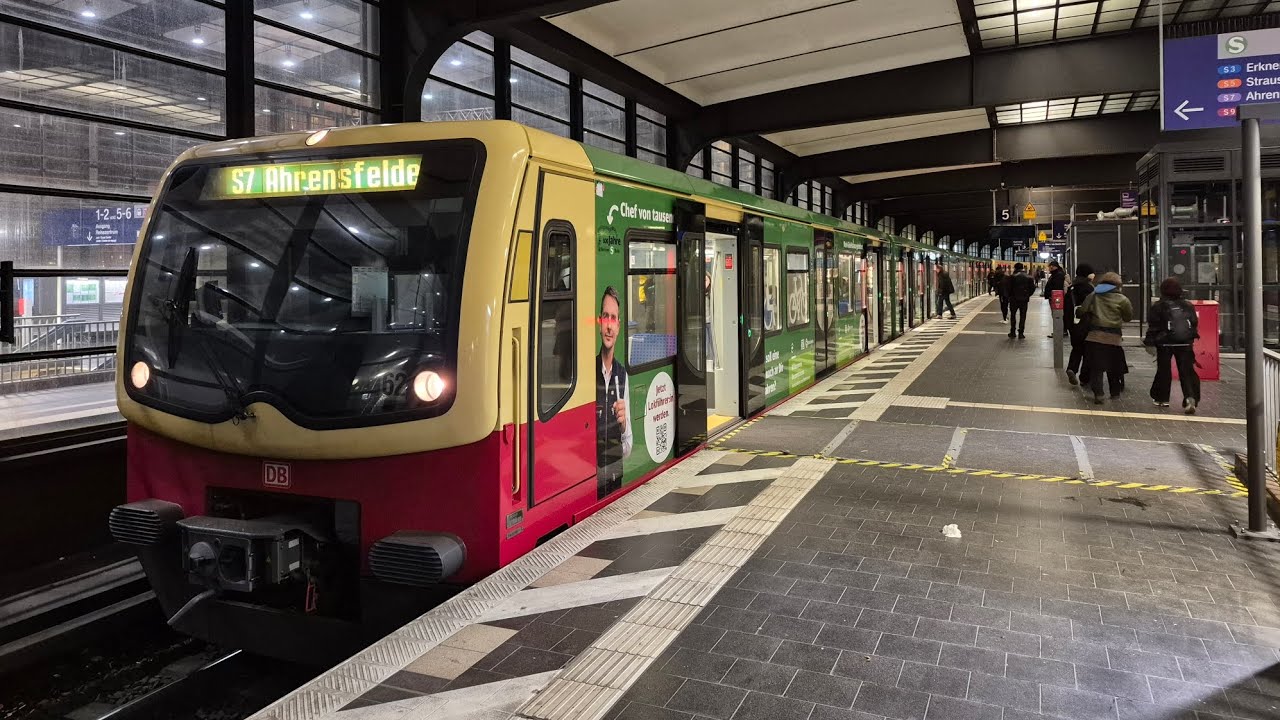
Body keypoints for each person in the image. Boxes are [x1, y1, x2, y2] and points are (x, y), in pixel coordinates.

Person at [1144, 278, 1201, 414]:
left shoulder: (1158, 306)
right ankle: (1190, 397)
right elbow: (1193, 322)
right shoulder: (1188, 305)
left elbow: (1153, 326)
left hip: (1164, 342)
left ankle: (1162, 398)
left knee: (1164, 369)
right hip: (1185, 342)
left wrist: (1149, 342)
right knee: (1186, 371)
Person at [596, 286, 632, 498]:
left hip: (615, 484)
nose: (609, 326)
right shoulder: (586, 375)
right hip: (593, 487)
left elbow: (627, 449)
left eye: (614, 319)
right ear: (600, 322)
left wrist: (624, 425)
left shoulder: (622, 375)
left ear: (618, 326)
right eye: (605, 317)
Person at [1078, 272, 1133, 404]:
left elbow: (1082, 311)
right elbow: (1128, 317)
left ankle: (1099, 394)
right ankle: (1114, 393)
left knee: (1096, 367)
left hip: (1094, 335)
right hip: (1113, 337)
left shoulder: (1093, 295)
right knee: (1114, 366)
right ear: (1118, 285)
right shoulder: (1122, 299)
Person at [1063, 264, 1094, 386]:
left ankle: (1072, 368)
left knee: (1076, 348)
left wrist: (1068, 326)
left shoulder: (1071, 289)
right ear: (1087, 274)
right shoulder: (1090, 289)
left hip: (1074, 325)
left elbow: (1066, 310)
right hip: (1088, 325)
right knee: (1088, 351)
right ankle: (1084, 378)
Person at [1003, 262, 1036, 339]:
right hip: (1024, 300)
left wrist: (1009, 297)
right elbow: (1032, 289)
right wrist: (1027, 295)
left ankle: (1013, 332)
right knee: (1023, 316)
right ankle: (1021, 333)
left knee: (1013, 315)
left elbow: (1007, 288)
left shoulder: (1011, 277)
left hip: (1013, 299)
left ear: (1015, 268)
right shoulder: (1029, 277)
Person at [1043, 260, 1066, 338]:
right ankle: (1060, 331)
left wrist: (1052, 296)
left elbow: (1057, 288)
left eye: (1050, 266)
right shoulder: (1056, 274)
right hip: (1054, 298)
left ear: (1054, 266)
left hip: (1056, 298)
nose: (1049, 268)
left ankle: (1059, 332)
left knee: (1057, 315)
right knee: (1057, 315)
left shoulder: (1058, 275)